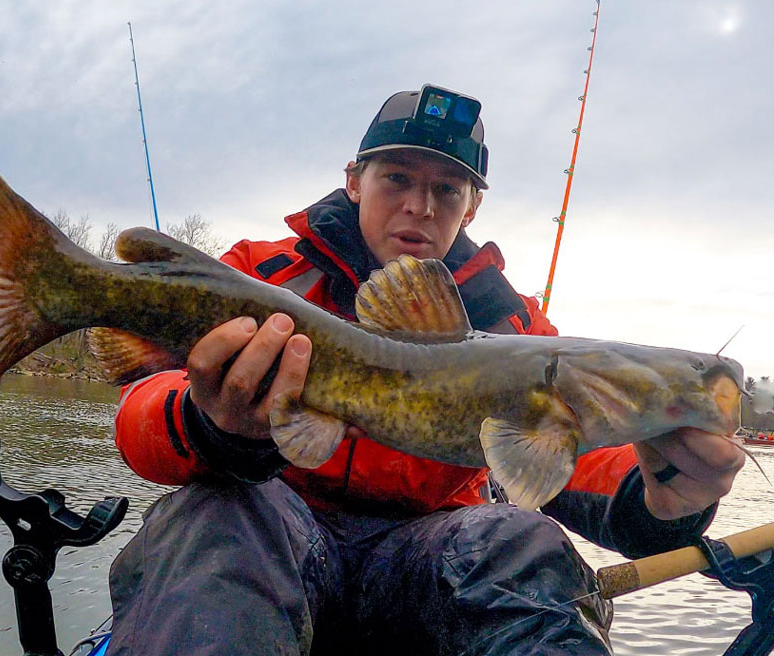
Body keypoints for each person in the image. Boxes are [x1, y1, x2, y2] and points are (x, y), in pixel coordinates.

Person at [105, 85, 744, 656]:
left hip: (429, 559)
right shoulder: (260, 273)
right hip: (273, 534)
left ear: (471, 207)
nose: (420, 206)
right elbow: (139, 411)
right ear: (354, 181)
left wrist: (666, 497)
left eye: (447, 190)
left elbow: (585, 463)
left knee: (520, 542)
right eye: (397, 179)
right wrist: (212, 424)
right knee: (214, 517)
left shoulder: (517, 328)